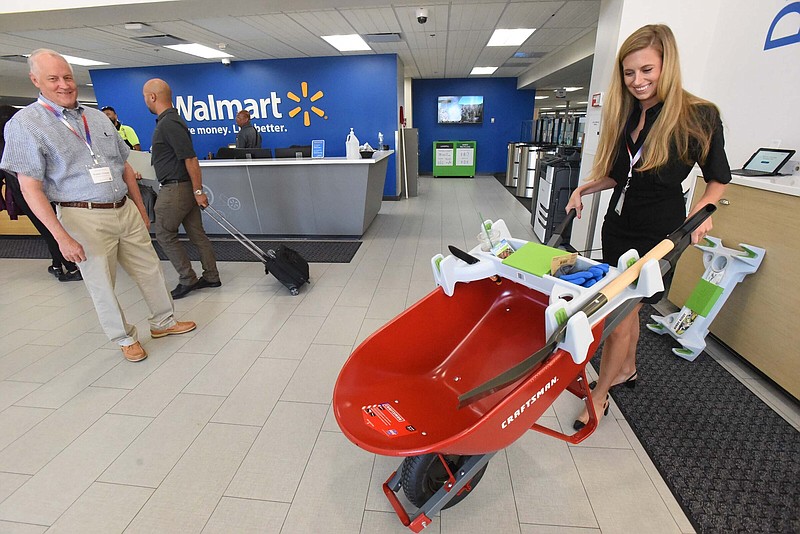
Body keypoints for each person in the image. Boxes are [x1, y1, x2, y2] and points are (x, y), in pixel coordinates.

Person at [565, 24, 731, 429]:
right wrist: (585, 188)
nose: (637, 81)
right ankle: (627, 370)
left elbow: (718, 178)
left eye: (647, 70)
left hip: (661, 234)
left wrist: (702, 215)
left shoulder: (698, 116)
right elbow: (621, 175)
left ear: (666, 66)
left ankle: (600, 395)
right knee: (631, 310)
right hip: (618, 226)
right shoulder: (627, 114)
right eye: (629, 72)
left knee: (619, 313)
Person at [0, 49, 196, 362]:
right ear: (35, 80)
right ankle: (124, 338)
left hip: (124, 208)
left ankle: (163, 322)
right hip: (81, 215)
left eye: (67, 77)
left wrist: (141, 210)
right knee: (102, 283)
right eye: (54, 79)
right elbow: (29, 187)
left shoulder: (96, 116)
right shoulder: (25, 125)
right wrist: (61, 237)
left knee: (150, 269)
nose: (64, 84)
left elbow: (124, 167)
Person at [143, 78, 221, 299]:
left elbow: (191, 159)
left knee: (164, 234)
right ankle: (211, 275)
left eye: (145, 97)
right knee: (197, 234)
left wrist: (198, 191)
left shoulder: (169, 123)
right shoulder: (170, 121)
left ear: (152, 97)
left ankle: (188, 279)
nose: (145, 102)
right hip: (182, 187)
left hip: (176, 189)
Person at [1, 104, 82, 282]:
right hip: (51, 189)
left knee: (49, 230)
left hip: (27, 195)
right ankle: (57, 263)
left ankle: (71, 267)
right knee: (56, 227)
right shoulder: (30, 137)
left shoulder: (6, 145)